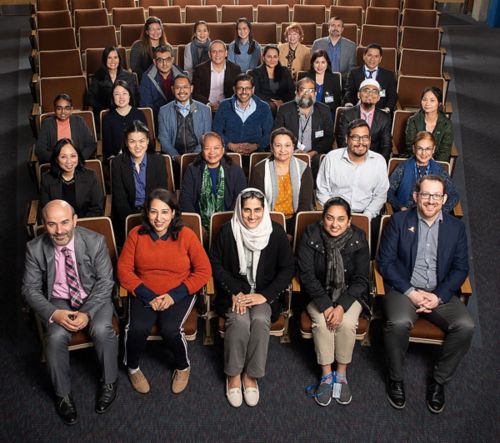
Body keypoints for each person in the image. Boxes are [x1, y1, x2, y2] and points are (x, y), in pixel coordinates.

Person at [377, 175, 474, 413]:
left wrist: (438, 296)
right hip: (404, 289)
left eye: (436, 195)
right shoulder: (399, 221)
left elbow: (461, 268)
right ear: (415, 197)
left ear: (444, 199)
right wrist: (411, 292)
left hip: (438, 292)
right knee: (399, 322)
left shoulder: (456, 227)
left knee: (466, 325)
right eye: (426, 195)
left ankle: (439, 381)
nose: (431, 201)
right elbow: (385, 262)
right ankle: (396, 378)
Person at [22, 200, 118, 425]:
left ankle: (110, 381)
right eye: (52, 224)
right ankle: (62, 395)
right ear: (44, 225)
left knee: (102, 329)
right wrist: (54, 313)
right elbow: (29, 289)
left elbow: (105, 282)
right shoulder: (34, 248)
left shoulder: (94, 241)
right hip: (58, 300)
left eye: (64, 222)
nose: (59, 230)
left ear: (74, 220)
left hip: (93, 297)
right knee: (54, 337)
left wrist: (87, 313)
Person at [118, 188, 211, 395]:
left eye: (164, 212)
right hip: (145, 292)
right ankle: (133, 368)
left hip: (178, 291)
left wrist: (173, 296)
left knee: (170, 329)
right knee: (135, 328)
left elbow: (204, 271)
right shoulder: (136, 235)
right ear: (147, 213)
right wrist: (148, 296)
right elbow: (124, 270)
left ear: (173, 213)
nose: (158, 218)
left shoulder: (186, 235)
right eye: (153, 212)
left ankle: (183, 366)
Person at [210, 188, 295, 407]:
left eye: (257, 210)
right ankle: (234, 374)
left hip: (262, 294)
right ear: (239, 209)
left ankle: (251, 375)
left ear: (264, 209)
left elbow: (287, 269)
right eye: (246, 210)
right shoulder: (228, 230)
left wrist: (264, 296)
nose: (251, 216)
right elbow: (216, 265)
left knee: (259, 320)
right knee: (239, 320)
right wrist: (235, 291)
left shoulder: (275, 232)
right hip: (234, 293)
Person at [298, 197, 370, 407]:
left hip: (349, 294)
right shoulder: (310, 236)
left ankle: (342, 373)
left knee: (346, 323)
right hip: (318, 293)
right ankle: (327, 375)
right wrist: (327, 305)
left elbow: (361, 280)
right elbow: (307, 276)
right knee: (322, 323)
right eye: (329, 218)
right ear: (323, 219)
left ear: (349, 221)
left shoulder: (358, 238)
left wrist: (341, 306)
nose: (334, 224)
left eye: (340, 219)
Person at [316, 119, 388, 220]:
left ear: (370, 140)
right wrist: (336, 214)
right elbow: (322, 191)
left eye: (365, 138)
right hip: (335, 215)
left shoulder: (379, 161)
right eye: (355, 137)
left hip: (366, 215)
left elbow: (380, 195)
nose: (361, 142)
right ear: (346, 139)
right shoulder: (331, 158)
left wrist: (366, 216)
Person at [249, 127, 314, 234]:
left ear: (293, 147)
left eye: (287, 145)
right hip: (268, 220)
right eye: (278, 145)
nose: (283, 150)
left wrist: (293, 231)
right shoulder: (260, 169)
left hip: (295, 220)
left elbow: (305, 204)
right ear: (271, 147)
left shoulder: (303, 168)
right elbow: (257, 203)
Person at [179, 132, 247, 230]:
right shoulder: (192, 169)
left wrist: (228, 226)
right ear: (202, 150)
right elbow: (185, 200)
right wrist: (197, 226)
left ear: (223, 149)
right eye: (207, 148)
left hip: (229, 223)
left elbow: (240, 199)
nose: (212, 152)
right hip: (199, 224)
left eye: (216, 148)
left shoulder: (235, 170)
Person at [111, 120, 168, 234]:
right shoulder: (117, 163)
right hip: (127, 217)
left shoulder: (159, 161)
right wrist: (132, 221)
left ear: (147, 141)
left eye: (141, 141)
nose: (137, 146)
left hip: (154, 216)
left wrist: (150, 219)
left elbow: (161, 195)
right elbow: (120, 200)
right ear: (126, 143)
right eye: (132, 141)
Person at [274, 77, 334, 179]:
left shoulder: (324, 110)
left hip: (315, 154)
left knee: (321, 161)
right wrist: (294, 151)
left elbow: (329, 137)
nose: (307, 93)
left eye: (311, 90)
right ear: (296, 92)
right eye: (303, 90)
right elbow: (276, 134)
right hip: (290, 153)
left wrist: (313, 152)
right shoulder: (284, 110)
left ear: (315, 93)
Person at [388, 131, 459, 213]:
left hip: (431, 215)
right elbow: (388, 191)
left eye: (428, 149)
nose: (424, 153)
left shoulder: (439, 170)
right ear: (414, 149)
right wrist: (400, 207)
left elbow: (454, 196)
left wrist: (440, 212)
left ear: (433, 149)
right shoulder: (403, 167)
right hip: (406, 214)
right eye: (420, 148)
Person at [212, 73, 273, 155]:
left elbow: (269, 133)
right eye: (240, 88)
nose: (244, 92)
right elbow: (216, 131)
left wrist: (256, 146)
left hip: (256, 153)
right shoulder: (224, 105)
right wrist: (230, 145)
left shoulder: (264, 107)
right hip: (229, 153)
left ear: (253, 90)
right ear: (234, 89)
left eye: (247, 88)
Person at [40, 139, 102, 218]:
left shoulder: (90, 176)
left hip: (84, 223)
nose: (69, 161)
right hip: (59, 226)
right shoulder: (47, 179)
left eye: (73, 156)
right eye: (63, 157)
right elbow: (46, 209)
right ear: (56, 159)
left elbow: (97, 208)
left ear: (78, 157)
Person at [157, 74, 212, 162]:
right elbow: (164, 139)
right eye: (178, 87)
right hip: (174, 157)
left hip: (199, 157)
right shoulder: (164, 111)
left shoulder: (204, 110)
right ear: (172, 89)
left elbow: (206, 137)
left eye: (185, 87)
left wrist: (194, 157)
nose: (181, 91)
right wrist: (176, 156)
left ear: (191, 88)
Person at [336, 79, 392, 161]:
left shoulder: (384, 118)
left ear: (378, 97)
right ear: (359, 95)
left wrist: (378, 162)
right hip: (351, 159)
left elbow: (386, 146)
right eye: (366, 91)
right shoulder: (347, 114)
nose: (370, 94)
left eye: (374, 91)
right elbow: (343, 142)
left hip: (374, 161)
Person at [87, 47, 139, 127]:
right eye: (109, 58)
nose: (113, 61)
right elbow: (90, 98)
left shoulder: (129, 77)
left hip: (126, 113)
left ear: (119, 59)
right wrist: (104, 109)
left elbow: (135, 98)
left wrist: (126, 109)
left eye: (115, 57)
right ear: (105, 60)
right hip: (106, 115)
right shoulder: (98, 76)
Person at [36, 93, 96, 163]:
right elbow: (40, 149)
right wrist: (57, 159)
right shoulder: (47, 124)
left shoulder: (79, 121)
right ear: (54, 110)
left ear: (71, 110)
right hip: (56, 163)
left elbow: (91, 144)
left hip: (78, 163)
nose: (63, 112)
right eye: (59, 108)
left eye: (67, 108)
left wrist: (79, 158)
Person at [343, 43, 397, 114]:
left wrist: (387, 109)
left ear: (380, 59)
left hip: (380, 112)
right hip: (357, 111)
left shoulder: (388, 75)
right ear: (364, 56)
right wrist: (349, 104)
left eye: (376, 56)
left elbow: (393, 96)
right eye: (369, 55)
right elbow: (349, 91)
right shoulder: (354, 73)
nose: (372, 59)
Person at [102, 80, 148, 159]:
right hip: (118, 159)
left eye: (124, 93)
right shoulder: (108, 118)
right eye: (117, 94)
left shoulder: (139, 114)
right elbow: (107, 148)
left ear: (129, 95)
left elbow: (146, 140)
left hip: (140, 156)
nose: (121, 97)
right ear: (113, 97)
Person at [139, 45, 185, 125]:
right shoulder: (146, 77)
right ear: (154, 62)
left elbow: (186, 101)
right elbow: (146, 105)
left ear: (172, 60)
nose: (164, 64)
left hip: (178, 119)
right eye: (160, 60)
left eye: (168, 59)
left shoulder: (182, 75)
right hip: (157, 120)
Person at [192, 40, 242, 112]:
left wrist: (225, 104)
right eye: (214, 51)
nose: (217, 54)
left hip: (228, 107)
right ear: (209, 54)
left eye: (220, 51)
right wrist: (208, 104)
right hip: (205, 107)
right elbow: (195, 92)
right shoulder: (199, 69)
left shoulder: (235, 69)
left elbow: (237, 91)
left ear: (226, 53)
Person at [405, 86, 453, 162]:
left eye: (432, 100)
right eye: (424, 100)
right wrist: (421, 160)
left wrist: (433, 165)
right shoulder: (413, 120)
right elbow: (410, 145)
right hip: (415, 160)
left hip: (436, 163)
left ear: (439, 103)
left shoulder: (446, 124)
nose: (427, 103)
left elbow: (445, 151)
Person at [251, 45, 295, 116]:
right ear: (263, 57)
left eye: (275, 57)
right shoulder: (256, 72)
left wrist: (282, 101)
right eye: (269, 57)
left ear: (278, 58)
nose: (272, 60)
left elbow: (291, 91)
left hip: (284, 102)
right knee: (271, 107)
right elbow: (256, 93)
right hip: (266, 103)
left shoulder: (284, 71)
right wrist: (275, 102)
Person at [298, 49, 342, 118]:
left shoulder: (334, 78)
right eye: (317, 62)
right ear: (313, 63)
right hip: (307, 111)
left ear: (327, 63)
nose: (320, 66)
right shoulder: (304, 76)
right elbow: (300, 98)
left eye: (323, 62)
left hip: (327, 113)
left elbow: (336, 102)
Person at [130, 16, 169, 82]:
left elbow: (169, 68)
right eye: (152, 29)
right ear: (147, 32)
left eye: (158, 29)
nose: (156, 32)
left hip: (163, 81)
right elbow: (135, 68)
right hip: (143, 81)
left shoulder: (168, 47)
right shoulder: (138, 46)